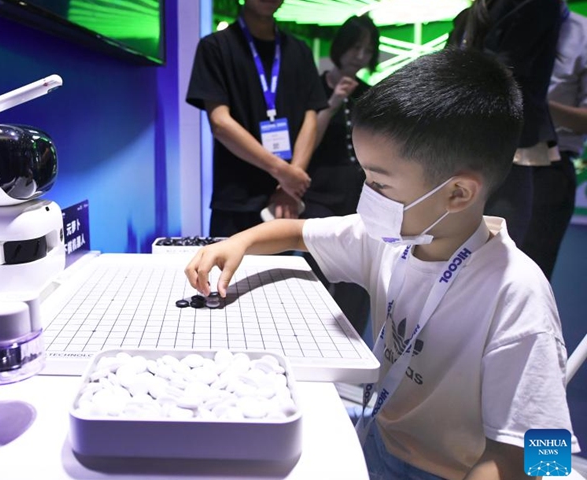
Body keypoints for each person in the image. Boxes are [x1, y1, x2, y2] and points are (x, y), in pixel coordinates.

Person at [185, 48, 580, 479]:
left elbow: (549, 452)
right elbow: (299, 232)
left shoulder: (516, 292)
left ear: (458, 194)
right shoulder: (396, 237)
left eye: (380, 182)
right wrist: (239, 242)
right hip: (379, 438)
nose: (368, 195)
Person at [186, 0, 326, 237]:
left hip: (288, 199)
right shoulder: (215, 47)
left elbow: (310, 117)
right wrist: (282, 171)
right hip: (236, 198)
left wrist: (290, 183)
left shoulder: (299, 51)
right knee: (226, 273)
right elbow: (220, 123)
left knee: (286, 272)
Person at [449, 0, 561, 245]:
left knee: (495, 249)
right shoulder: (470, 15)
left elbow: (507, 66)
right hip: (463, 142)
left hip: (509, 139)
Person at [302, 14, 380, 336]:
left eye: (367, 49)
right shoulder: (314, 88)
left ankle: (349, 347)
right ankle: (305, 338)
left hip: (360, 195)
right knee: (315, 267)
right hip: (319, 191)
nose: (359, 56)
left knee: (358, 274)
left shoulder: (370, 94)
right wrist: (332, 103)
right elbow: (306, 142)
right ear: (340, 47)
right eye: (354, 47)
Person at [524, 4, 587, 279]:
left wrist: (535, 103)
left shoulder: (582, 32)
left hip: (549, 165)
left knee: (530, 277)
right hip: (489, 162)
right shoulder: (495, 21)